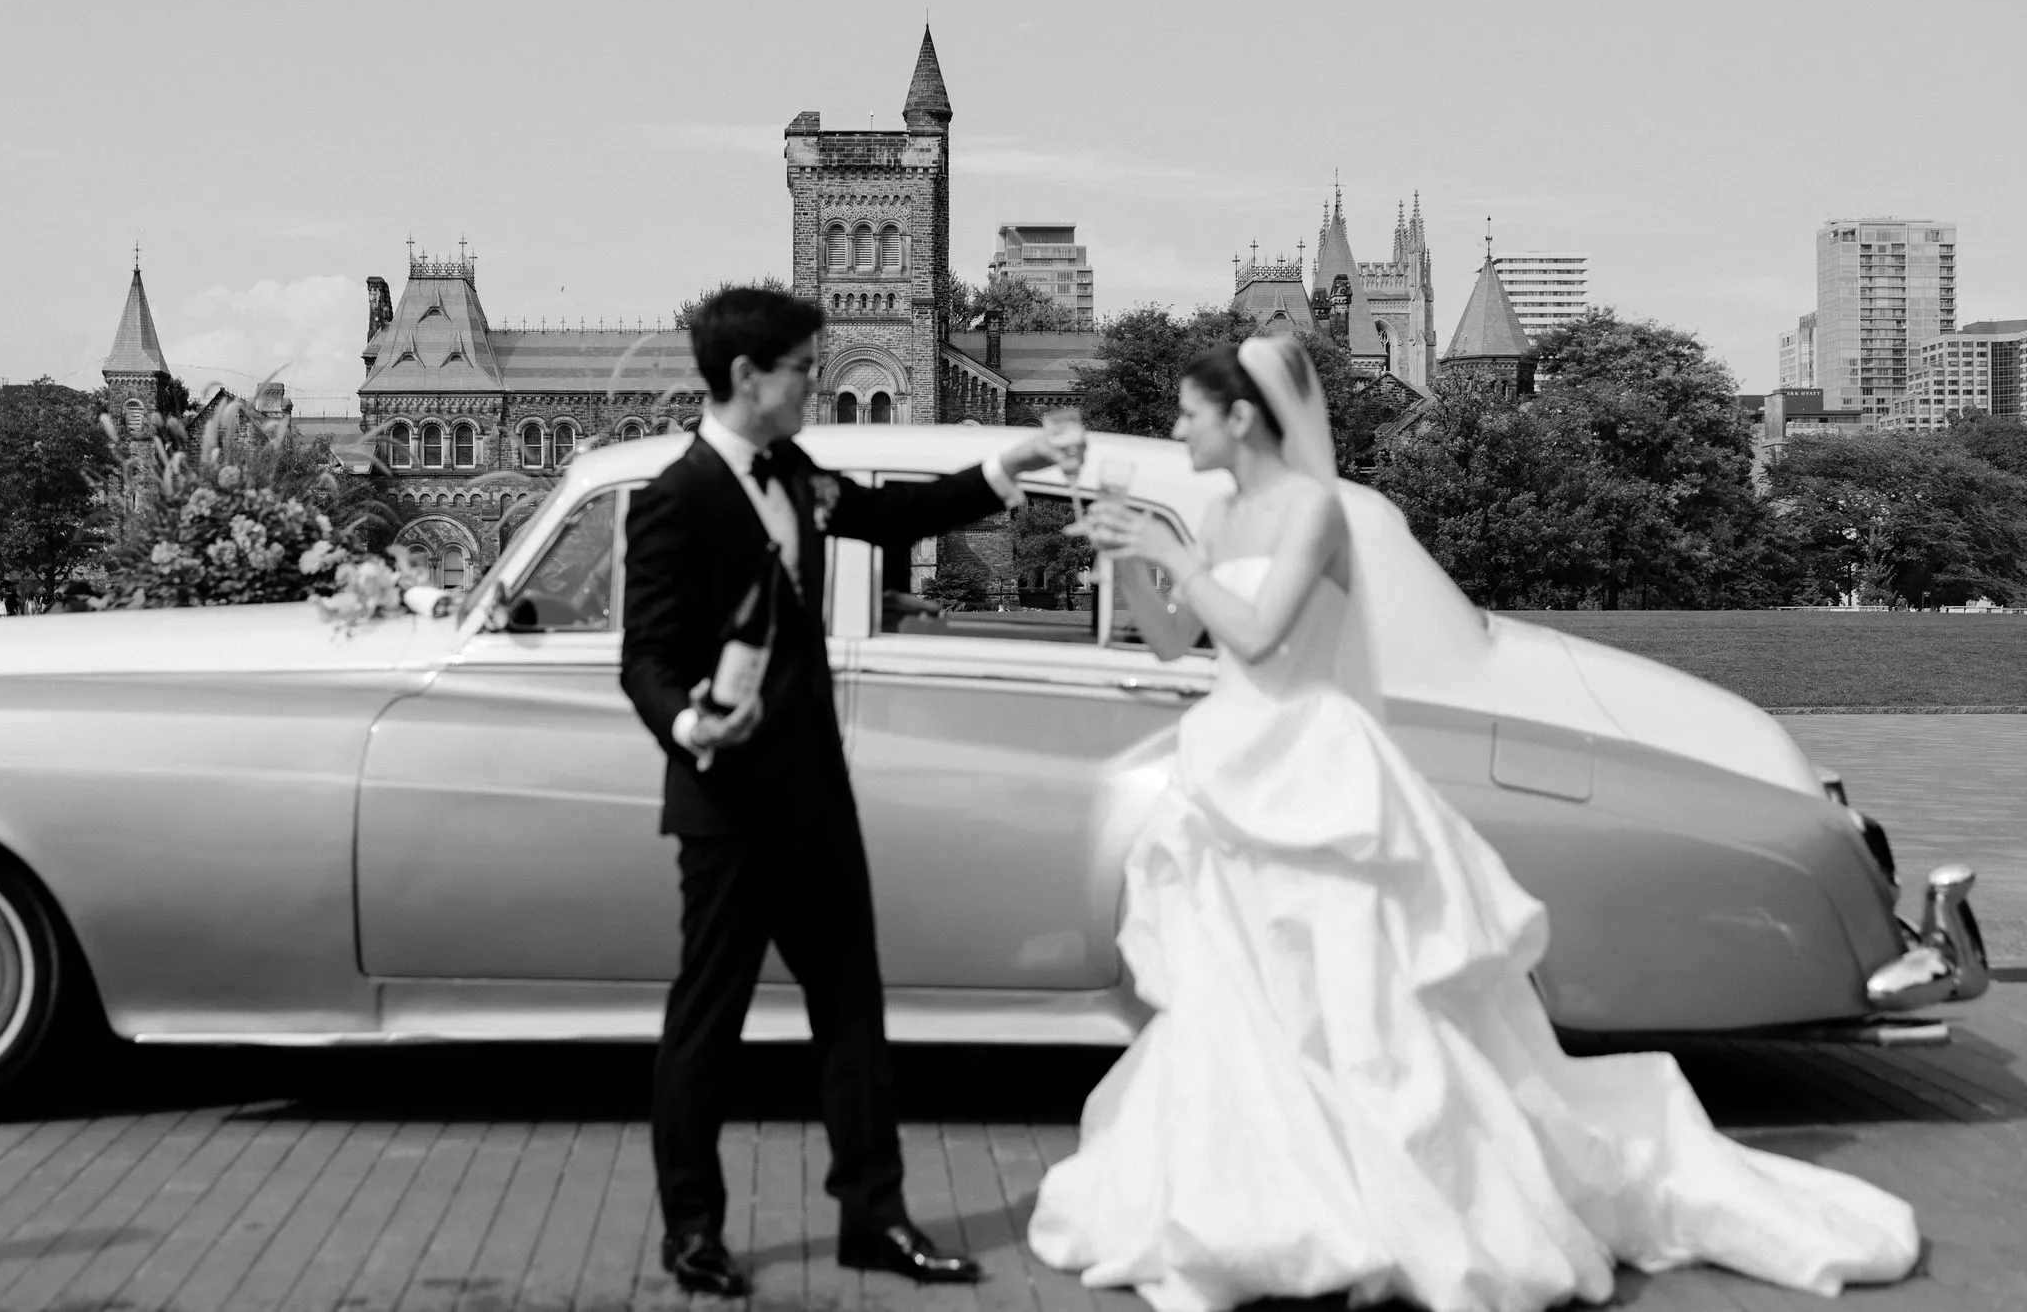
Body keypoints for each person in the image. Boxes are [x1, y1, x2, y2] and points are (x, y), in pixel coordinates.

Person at [1027, 335, 1920, 1312]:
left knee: (1344, 991)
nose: (1175, 430)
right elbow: (1176, 642)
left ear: (1239, 417)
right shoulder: (1226, 509)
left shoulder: (1316, 511)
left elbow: (1256, 632)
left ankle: (1384, 1190)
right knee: (1240, 991)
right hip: (1230, 768)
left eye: (1188, 414)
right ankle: (1258, 1194)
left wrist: (1169, 556)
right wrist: (1130, 561)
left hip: (1307, 769)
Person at [620, 286, 1075, 1298]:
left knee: (854, 1017)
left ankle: (873, 1219)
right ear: (748, 378)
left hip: (816, 798)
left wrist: (1010, 464)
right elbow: (643, 658)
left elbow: (893, 512)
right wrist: (693, 724)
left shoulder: (795, 472)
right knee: (709, 1021)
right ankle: (691, 1230)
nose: (813, 383)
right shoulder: (674, 497)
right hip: (727, 807)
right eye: (799, 368)